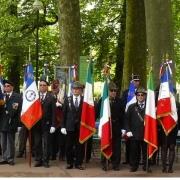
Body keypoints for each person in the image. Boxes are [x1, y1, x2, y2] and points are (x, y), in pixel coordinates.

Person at [96, 82, 124, 171]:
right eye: (111, 90)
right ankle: (104, 163)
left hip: (116, 126)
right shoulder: (103, 100)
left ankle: (116, 164)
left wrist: (123, 128)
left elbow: (123, 115)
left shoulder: (120, 101)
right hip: (106, 127)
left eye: (115, 91)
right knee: (105, 144)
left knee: (116, 146)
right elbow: (97, 113)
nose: (113, 92)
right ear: (107, 91)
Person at [61, 81, 85, 170]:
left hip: (80, 127)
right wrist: (63, 126)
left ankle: (79, 163)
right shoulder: (68, 99)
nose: (75, 90)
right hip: (69, 127)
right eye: (74, 89)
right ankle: (69, 163)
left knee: (80, 146)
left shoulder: (84, 100)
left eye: (77, 89)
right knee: (69, 146)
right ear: (71, 90)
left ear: (80, 90)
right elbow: (64, 114)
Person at [32, 79, 56, 168]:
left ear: (47, 87)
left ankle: (46, 161)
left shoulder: (51, 97)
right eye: (40, 85)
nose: (42, 87)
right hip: (36, 124)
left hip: (47, 124)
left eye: (44, 85)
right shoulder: (34, 96)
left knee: (47, 143)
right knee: (37, 143)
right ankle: (38, 160)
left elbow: (54, 112)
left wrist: (53, 125)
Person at [125, 87, 149, 172]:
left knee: (146, 151)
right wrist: (128, 130)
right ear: (136, 96)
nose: (140, 96)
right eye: (138, 95)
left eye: (142, 95)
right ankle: (134, 166)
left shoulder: (149, 108)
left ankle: (146, 166)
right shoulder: (131, 107)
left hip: (146, 133)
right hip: (134, 133)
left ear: (145, 96)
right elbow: (126, 120)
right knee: (134, 151)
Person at [0, 80, 22, 165]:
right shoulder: (2, 96)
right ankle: (4, 157)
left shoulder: (17, 96)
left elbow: (16, 110)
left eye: (8, 86)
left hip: (11, 122)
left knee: (10, 141)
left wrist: (19, 124)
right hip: (2, 122)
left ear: (12, 87)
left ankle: (10, 158)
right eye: (5, 86)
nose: (6, 87)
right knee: (3, 142)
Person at [121, 74, 140, 164]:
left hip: (138, 119)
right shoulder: (126, 93)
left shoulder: (141, 92)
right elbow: (123, 105)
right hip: (128, 119)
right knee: (128, 140)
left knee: (138, 140)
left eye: (138, 81)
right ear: (131, 82)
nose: (136, 82)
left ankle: (137, 160)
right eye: (135, 81)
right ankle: (128, 159)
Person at [50, 79, 65, 161]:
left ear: (59, 85)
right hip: (52, 120)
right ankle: (53, 154)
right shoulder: (50, 94)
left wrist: (61, 104)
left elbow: (66, 107)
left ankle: (62, 155)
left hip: (61, 120)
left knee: (61, 140)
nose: (55, 86)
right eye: (54, 84)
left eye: (56, 84)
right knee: (52, 139)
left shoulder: (63, 94)